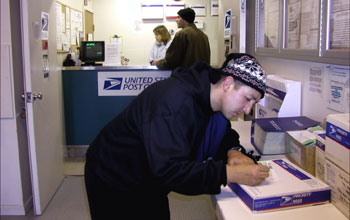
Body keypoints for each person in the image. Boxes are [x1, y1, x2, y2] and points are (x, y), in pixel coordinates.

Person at [84, 53, 270, 220]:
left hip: (149, 175)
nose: (248, 109)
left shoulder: (210, 96)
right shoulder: (173, 103)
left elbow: (222, 132)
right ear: (228, 84)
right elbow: (170, 170)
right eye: (248, 98)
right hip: (114, 174)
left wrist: (233, 151)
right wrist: (228, 174)